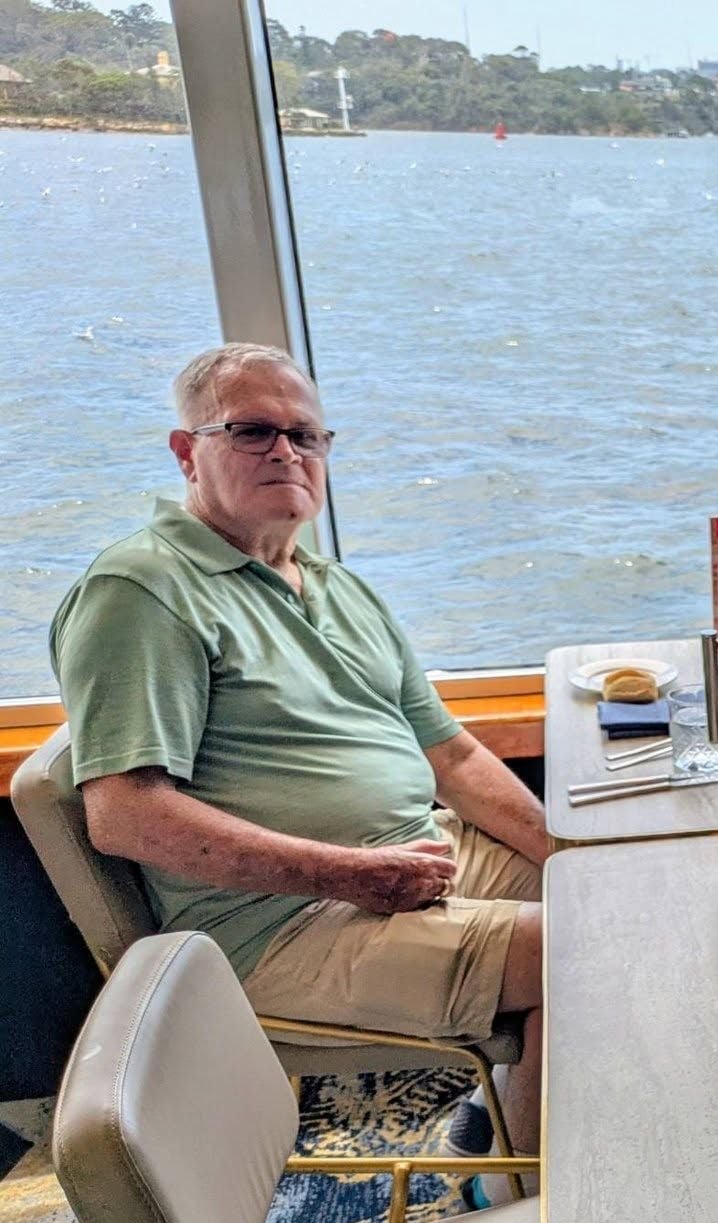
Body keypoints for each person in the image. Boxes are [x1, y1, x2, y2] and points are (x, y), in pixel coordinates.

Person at [49, 344, 550, 1176]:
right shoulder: (141, 591)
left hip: (410, 853)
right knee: (591, 952)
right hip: (280, 925)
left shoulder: (334, 584)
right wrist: (350, 875)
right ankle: (529, 1212)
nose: (286, 452)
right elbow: (124, 813)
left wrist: (567, 849)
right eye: (252, 432)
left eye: (306, 436)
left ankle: (503, 1130)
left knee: (625, 896)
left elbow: (453, 755)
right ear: (186, 451)